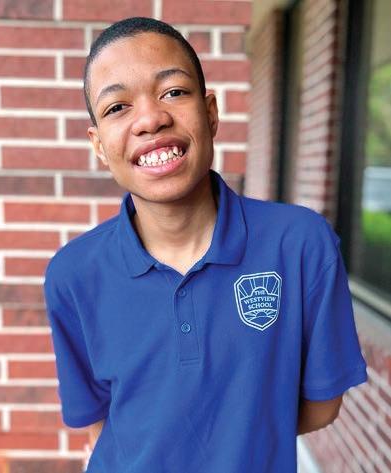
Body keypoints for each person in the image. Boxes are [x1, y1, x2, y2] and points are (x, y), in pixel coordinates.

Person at [43, 17, 368, 473]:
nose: (150, 119)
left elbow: (323, 405)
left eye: (173, 91)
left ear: (211, 112)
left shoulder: (299, 245)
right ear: (98, 145)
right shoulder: (73, 274)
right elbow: (100, 422)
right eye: (117, 107)